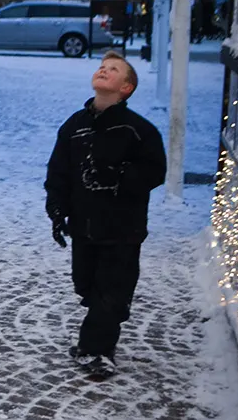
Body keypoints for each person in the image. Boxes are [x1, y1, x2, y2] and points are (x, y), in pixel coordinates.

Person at [44, 52, 166, 380]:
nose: (103, 70)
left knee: (113, 290)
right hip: (83, 226)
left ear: (125, 88)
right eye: (101, 67)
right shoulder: (74, 126)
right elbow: (59, 172)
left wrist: (119, 176)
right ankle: (92, 343)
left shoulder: (137, 130)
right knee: (86, 285)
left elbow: (155, 171)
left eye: (113, 70)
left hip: (122, 228)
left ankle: (98, 350)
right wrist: (57, 210)